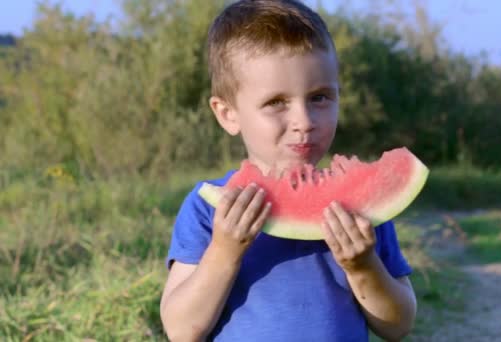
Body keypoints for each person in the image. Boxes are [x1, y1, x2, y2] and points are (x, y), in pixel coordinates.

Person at [160, 1, 417, 340]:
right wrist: (224, 251)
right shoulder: (209, 208)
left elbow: (398, 326)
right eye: (276, 102)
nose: (304, 122)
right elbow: (181, 331)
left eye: (320, 98)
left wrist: (363, 265)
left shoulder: (360, 212)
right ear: (227, 114)